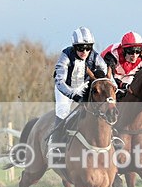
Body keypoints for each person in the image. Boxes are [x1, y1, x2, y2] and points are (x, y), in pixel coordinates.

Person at [48, 27, 114, 156]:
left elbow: (108, 79)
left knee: (101, 108)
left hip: (83, 87)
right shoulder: (66, 56)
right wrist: (73, 94)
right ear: (74, 47)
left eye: (88, 48)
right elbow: (59, 81)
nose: (84, 51)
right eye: (80, 48)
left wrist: (115, 90)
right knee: (63, 111)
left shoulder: (96, 57)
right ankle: (55, 144)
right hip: (65, 88)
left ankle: (111, 138)